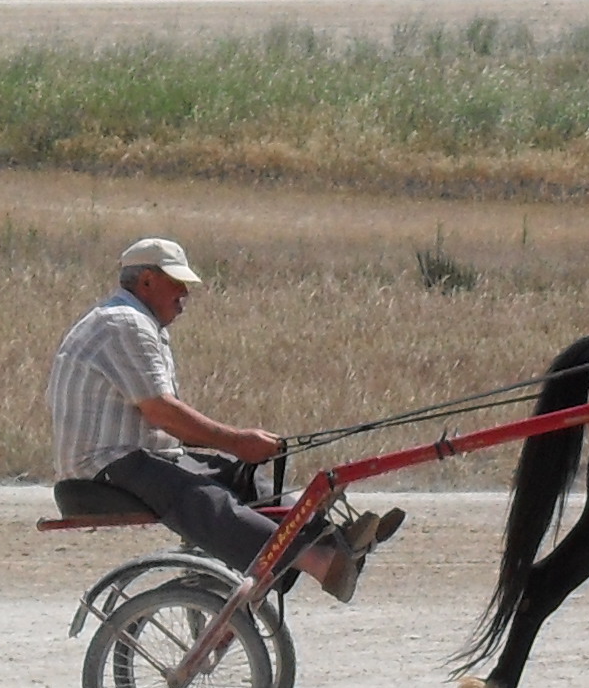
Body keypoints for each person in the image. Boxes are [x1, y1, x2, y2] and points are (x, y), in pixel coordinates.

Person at [48, 237, 401, 601]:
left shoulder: (138, 324)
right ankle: (317, 560)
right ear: (147, 281)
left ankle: (330, 540)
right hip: (103, 464)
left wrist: (237, 450)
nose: (184, 293)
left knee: (238, 473)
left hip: (135, 456)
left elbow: (164, 418)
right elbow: (161, 411)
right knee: (201, 495)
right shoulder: (125, 323)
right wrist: (237, 440)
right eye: (177, 283)